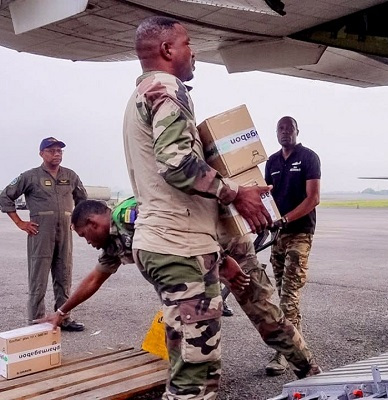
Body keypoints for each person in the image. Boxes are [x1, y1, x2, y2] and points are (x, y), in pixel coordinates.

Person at [122, 16, 276, 399]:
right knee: (194, 374)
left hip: (170, 241)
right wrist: (235, 191)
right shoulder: (167, 87)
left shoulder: (141, 93)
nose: (195, 53)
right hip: (179, 244)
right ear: (167, 50)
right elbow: (176, 165)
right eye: (188, 44)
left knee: (200, 368)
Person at [36, 199, 321, 378]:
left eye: (84, 235)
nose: (87, 241)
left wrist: (224, 264)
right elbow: (95, 279)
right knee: (190, 326)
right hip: (207, 261)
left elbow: (185, 234)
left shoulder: (132, 217)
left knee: (265, 317)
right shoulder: (114, 239)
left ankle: (310, 371)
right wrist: (61, 312)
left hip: (228, 249)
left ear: (93, 222)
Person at [0, 137, 87, 331]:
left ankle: (64, 318)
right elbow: (5, 197)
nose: (57, 154)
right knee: (38, 278)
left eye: (60, 151)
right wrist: (20, 223)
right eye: (52, 150)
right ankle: (36, 321)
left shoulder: (70, 176)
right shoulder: (30, 176)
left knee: (64, 275)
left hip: (64, 234)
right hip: (40, 234)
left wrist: (77, 222)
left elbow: (83, 200)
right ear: (41, 153)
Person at [264, 116, 321, 375]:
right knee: (282, 293)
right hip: (278, 237)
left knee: (289, 296)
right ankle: (294, 337)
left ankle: (285, 353)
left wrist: (286, 218)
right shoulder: (272, 162)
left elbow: (313, 198)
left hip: (300, 234)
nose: (285, 132)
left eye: (289, 128)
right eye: (280, 128)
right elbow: (269, 198)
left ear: (297, 131)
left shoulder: (309, 157)